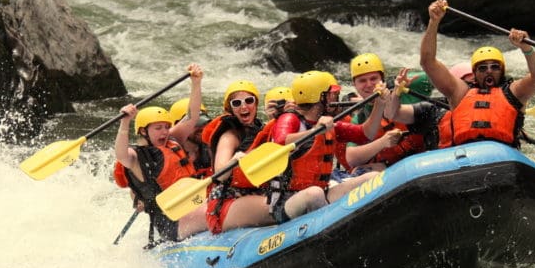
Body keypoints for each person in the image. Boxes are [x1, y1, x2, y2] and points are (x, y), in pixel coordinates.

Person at [420, 0, 535, 148]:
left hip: (503, 154)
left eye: (495, 67)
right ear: (474, 73)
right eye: (482, 68)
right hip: (465, 153)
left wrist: (526, 48)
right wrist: (433, 22)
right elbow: (427, 62)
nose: (489, 71)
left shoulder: (514, 92)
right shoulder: (459, 92)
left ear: (502, 70)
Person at [267, 70, 386, 222]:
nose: (335, 98)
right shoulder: (289, 118)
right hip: (288, 202)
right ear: (319, 97)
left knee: (372, 178)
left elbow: (365, 133)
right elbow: (280, 142)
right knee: (314, 194)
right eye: (331, 95)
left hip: (323, 191)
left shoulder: (327, 122)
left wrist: (379, 105)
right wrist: (315, 130)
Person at [114, 64, 208, 244]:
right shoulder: (136, 157)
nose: (164, 132)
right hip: (170, 222)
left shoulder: (172, 140)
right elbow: (121, 154)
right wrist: (125, 123)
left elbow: (192, 117)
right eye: (158, 128)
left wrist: (196, 84)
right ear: (143, 131)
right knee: (215, 211)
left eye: (166, 127)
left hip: (193, 205)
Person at [201, 80, 273, 234]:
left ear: (256, 104)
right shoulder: (229, 136)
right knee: (282, 206)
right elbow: (220, 173)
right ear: (230, 109)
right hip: (228, 202)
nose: (244, 106)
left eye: (249, 101)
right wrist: (234, 160)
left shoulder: (263, 129)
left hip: (257, 193)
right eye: (236, 103)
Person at [342, 53, 426, 172]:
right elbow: (351, 158)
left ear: (382, 79)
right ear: (354, 85)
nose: (369, 85)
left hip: (424, 159)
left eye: (373, 79)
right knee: (359, 170)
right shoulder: (360, 117)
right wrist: (382, 142)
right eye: (362, 81)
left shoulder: (404, 86)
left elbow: (438, 74)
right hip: (392, 169)